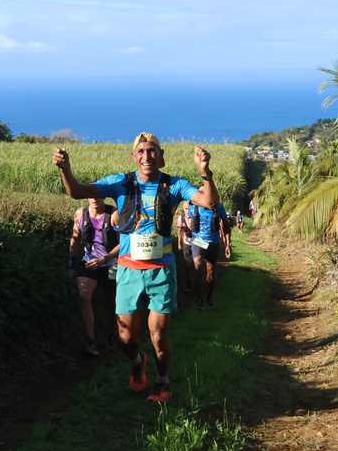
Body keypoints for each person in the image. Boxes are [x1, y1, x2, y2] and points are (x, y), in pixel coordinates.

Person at [53, 132, 219, 403]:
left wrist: (205, 173)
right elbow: (77, 192)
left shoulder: (174, 185)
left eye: (152, 151)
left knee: (158, 335)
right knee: (125, 339)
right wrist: (65, 169)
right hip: (128, 270)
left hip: (162, 270)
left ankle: (162, 383)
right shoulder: (119, 183)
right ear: (133, 157)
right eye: (141, 151)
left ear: (161, 157)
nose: (146, 156)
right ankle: (137, 361)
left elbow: (210, 202)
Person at [68, 197, 120, 357]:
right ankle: (91, 341)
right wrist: (71, 265)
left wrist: (105, 259)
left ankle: (112, 335)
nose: (95, 199)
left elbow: (124, 242)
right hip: (90, 261)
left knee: (112, 301)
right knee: (84, 295)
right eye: (91, 195)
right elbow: (75, 239)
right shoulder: (80, 213)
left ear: (104, 197)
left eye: (98, 195)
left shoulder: (114, 214)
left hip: (112, 261)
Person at [189, 200, 231, 311]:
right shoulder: (193, 206)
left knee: (210, 270)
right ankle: (199, 298)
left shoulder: (219, 207)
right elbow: (188, 222)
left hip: (213, 242)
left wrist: (227, 244)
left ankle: (209, 297)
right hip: (198, 241)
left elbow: (226, 225)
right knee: (198, 267)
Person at [176, 201, 195, 293]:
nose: (188, 211)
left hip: (197, 243)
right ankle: (188, 283)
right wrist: (179, 243)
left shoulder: (196, 217)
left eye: (189, 208)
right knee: (188, 264)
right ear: (183, 209)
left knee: (197, 264)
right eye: (186, 209)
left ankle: (198, 282)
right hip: (186, 243)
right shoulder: (180, 219)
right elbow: (180, 231)